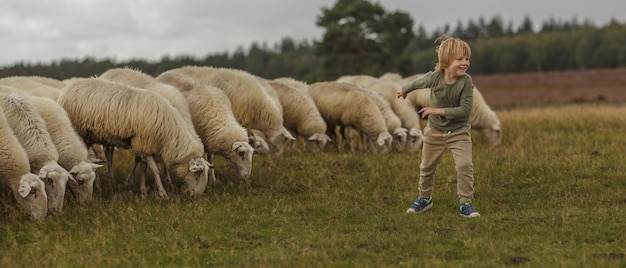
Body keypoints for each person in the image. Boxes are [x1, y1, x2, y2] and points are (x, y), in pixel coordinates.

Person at [397, 36, 480, 218]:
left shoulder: (466, 82)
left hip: (459, 132)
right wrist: (404, 90)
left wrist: (437, 110)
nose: (465, 63)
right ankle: (425, 199)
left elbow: (465, 111)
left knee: (464, 165)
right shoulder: (434, 78)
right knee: (427, 167)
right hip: (434, 132)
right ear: (446, 61)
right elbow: (417, 83)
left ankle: (466, 203)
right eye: (460, 59)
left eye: (467, 59)